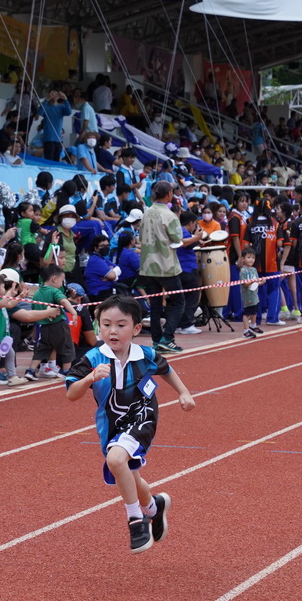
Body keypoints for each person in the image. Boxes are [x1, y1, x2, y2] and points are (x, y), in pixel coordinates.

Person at [64, 295, 195, 553]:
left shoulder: (144, 355)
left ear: (136, 329)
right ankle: (154, 508)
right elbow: (71, 394)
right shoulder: (92, 358)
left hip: (143, 415)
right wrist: (90, 378)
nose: (112, 331)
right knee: (130, 477)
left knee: (116, 460)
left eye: (120, 325)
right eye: (106, 324)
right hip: (111, 424)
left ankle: (136, 520)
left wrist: (184, 392)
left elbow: (166, 369)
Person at [139, 181, 185, 352]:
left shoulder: (146, 212)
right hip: (166, 265)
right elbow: (177, 238)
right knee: (178, 301)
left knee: (155, 304)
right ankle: (168, 337)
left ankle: (157, 340)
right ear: (169, 194)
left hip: (148, 266)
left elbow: (140, 235)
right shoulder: (169, 215)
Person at [238, 247, 263, 338]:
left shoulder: (254, 269)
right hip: (247, 295)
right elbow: (245, 284)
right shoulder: (243, 271)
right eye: (248, 257)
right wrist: (252, 281)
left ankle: (253, 325)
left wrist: (261, 282)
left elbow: (257, 282)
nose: (251, 260)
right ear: (243, 259)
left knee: (254, 310)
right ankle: (246, 330)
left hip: (254, 294)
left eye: (253, 258)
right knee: (247, 313)